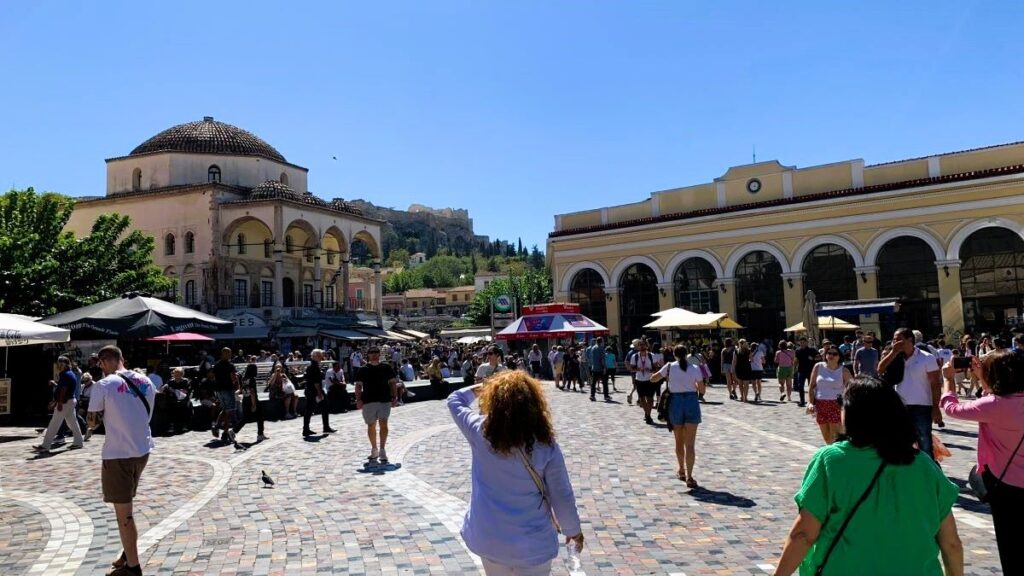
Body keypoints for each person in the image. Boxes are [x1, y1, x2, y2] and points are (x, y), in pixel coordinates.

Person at [774, 377, 963, 576]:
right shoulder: (924, 465)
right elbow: (951, 543)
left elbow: (804, 534)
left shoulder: (832, 461)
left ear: (854, 415)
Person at [447, 371, 584, 575]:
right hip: (532, 542)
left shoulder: (479, 431)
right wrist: (573, 530)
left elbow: (454, 400)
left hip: (490, 537)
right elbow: (561, 495)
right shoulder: (545, 445)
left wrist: (484, 387)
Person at [940, 349, 1024, 573]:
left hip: (1005, 483)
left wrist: (948, 380)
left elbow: (952, 408)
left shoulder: (992, 405)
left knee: (1011, 544)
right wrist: (986, 377)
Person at [87, 345, 157, 576]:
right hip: (142, 450)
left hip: (118, 453)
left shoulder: (103, 385)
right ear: (122, 359)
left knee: (123, 513)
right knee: (126, 505)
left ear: (103, 362)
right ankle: (128, 552)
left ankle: (133, 567)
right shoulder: (146, 381)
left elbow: (91, 423)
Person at [879, 328, 942, 459]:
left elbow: (935, 384)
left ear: (910, 340)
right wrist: (893, 352)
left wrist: (936, 408)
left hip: (922, 406)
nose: (895, 342)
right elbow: (880, 369)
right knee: (902, 442)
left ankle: (929, 472)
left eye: (898, 339)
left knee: (924, 442)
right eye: (894, 340)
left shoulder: (926, 358)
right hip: (900, 406)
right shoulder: (894, 357)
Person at [651, 345, 703, 488]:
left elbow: (653, 379)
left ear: (674, 355)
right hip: (692, 402)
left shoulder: (669, 367)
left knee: (678, 441)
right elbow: (702, 389)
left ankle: (681, 470)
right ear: (686, 354)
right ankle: (690, 477)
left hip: (675, 403)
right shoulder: (694, 368)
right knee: (690, 444)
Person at [355, 346, 399, 464]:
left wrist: (395, 398)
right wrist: (358, 400)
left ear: (379, 354)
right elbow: (358, 386)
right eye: (371, 352)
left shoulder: (386, 367)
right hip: (368, 400)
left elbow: (393, 384)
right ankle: (374, 448)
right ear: (368, 355)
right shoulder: (362, 369)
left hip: (384, 400)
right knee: (371, 425)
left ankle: (382, 449)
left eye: (376, 352)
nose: (374, 354)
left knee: (384, 424)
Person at [37, 356, 84, 453]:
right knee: (72, 423)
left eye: (61, 363)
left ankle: (45, 446)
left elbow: (63, 390)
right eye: (59, 363)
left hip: (65, 402)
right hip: (70, 400)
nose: (59, 365)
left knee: (54, 424)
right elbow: (62, 388)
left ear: (66, 364)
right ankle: (78, 442)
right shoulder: (70, 373)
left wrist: (59, 402)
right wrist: (56, 386)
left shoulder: (65, 374)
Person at [807, 346, 851, 444]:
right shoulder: (818, 366)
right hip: (820, 405)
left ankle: (836, 456)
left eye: (834, 354)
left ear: (839, 357)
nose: (831, 356)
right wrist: (810, 402)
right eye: (829, 353)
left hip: (836, 405)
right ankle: (831, 455)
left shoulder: (844, 371)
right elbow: (811, 386)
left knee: (835, 438)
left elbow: (852, 389)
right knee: (827, 438)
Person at [303, 349, 333, 436]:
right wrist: (319, 393)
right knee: (324, 407)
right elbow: (316, 382)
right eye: (320, 356)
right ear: (315, 356)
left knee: (309, 410)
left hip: (309, 390)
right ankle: (325, 427)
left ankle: (306, 429)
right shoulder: (314, 366)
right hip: (314, 391)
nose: (321, 357)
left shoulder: (310, 365)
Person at [212, 347, 239, 444]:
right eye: (228, 353)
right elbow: (233, 377)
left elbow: (213, 377)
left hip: (219, 390)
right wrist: (236, 382)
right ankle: (225, 432)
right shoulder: (230, 365)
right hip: (227, 389)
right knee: (229, 412)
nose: (230, 355)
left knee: (224, 409)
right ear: (224, 354)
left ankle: (216, 425)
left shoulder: (216, 365)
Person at [234, 363, 267, 442]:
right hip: (252, 400)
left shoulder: (244, 379)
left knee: (246, 418)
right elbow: (252, 392)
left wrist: (236, 393)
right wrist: (254, 404)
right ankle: (260, 434)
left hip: (245, 399)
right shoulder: (252, 379)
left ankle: (233, 431)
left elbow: (241, 389)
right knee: (260, 417)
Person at [630, 340, 658, 424]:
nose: (642, 347)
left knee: (650, 398)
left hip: (650, 380)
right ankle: (647, 414)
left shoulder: (651, 356)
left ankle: (648, 415)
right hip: (639, 380)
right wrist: (639, 369)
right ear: (638, 347)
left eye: (643, 345)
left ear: (647, 346)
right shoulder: (634, 356)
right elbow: (632, 368)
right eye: (640, 345)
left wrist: (650, 370)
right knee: (642, 399)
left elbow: (656, 368)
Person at [163, 367, 192, 434]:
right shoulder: (170, 382)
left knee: (184, 405)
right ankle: (171, 425)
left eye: (178, 374)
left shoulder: (186, 381)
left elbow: (187, 391)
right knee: (170, 405)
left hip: (183, 398)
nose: (176, 376)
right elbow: (167, 390)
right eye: (175, 374)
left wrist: (176, 391)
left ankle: (184, 424)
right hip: (173, 399)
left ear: (182, 374)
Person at [793, 337, 818, 408]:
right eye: (801, 342)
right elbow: (796, 360)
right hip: (801, 371)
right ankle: (802, 401)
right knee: (800, 386)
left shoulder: (812, 350)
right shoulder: (798, 351)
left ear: (806, 342)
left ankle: (813, 401)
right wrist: (794, 368)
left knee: (812, 387)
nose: (802, 344)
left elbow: (819, 358)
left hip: (811, 371)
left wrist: (813, 358)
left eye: (804, 342)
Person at [587, 337, 610, 402]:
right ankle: (606, 396)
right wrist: (605, 367)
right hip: (601, 368)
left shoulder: (593, 348)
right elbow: (602, 359)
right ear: (601, 341)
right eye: (603, 341)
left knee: (593, 383)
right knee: (605, 382)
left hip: (594, 367)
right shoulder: (601, 348)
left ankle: (592, 395)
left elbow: (591, 358)